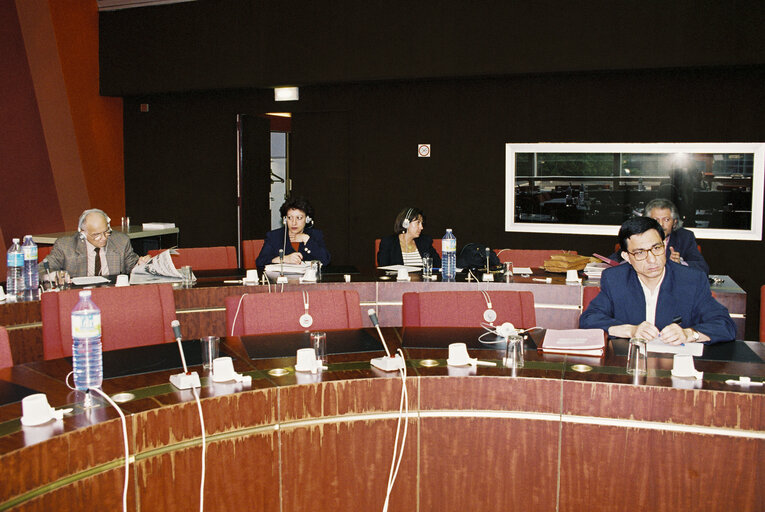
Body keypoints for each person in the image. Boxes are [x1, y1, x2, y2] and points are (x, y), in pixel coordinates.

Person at [580, 216, 735, 344]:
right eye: (640, 253)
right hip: (630, 363)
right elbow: (589, 320)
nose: (652, 259)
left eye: (656, 248)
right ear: (627, 257)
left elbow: (725, 325)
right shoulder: (615, 279)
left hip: (677, 365)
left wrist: (689, 334)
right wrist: (630, 330)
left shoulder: (691, 280)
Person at [610, 198, 708, 274]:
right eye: (656, 220)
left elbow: (702, 267)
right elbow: (612, 260)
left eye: (666, 220)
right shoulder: (637, 237)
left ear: (674, 222)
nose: (661, 224)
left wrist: (680, 264)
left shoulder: (685, 237)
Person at [44, 208, 149, 278]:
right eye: (96, 235)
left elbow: (133, 266)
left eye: (106, 232)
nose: (103, 238)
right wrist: (55, 275)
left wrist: (141, 264)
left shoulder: (121, 241)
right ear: (83, 233)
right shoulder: (65, 246)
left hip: (111, 294)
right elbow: (42, 270)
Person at [256, 197, 330, 267]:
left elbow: (326, 260)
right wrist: (284, 259)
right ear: (285, 219)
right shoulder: (274, 236)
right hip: (282, 279)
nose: (294, 223)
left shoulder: (315, 235)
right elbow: (260, 262)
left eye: (299, 218)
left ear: (307, 219)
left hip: (307, 280)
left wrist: (307, 240)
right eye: (290, 218)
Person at [377, 207, 441, 267]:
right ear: (406, 223)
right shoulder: (388, 243)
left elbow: (438, 265)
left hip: (422, 279)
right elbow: (383, 268)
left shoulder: (425, 241)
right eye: (418, 223)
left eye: (422, 223)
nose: (421, 227)